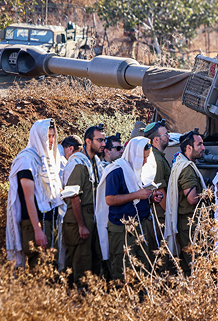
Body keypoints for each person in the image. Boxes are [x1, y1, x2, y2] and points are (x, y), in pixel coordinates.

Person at [96, 137, 161, 282]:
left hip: (140, 226)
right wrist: (136, 195)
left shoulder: (139, 171)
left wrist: (150, 198)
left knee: (142, 266)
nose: (145, 162)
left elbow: (138, 198)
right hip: (122, 229)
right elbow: (110, 199)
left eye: (147, 158)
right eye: (143, 158)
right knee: (123, 268)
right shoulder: (117, 171)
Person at [6, 119, 65, 269]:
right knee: (40, 269)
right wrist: (37, 230)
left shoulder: (47, 161)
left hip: (50, 222)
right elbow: (28, 199)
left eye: (53, 136)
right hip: (36, 225)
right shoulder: (27, 160)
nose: (51, 140)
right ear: (38, 137)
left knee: (51, 270)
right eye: (48, 136)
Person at [62, 124, 106, 285]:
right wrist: (81, 225)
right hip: (79, 217)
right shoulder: (79, 162)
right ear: (88, 141)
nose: (103, 144)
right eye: (99, 140)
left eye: (104, 140)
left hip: (92, 216)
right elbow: (74, 196)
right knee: (81, 261)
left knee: (93, 259)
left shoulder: (94, 161)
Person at [165, 128, 207, 275]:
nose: (203, 148)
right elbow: (191, 198)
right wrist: (209, 193)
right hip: (191, 224)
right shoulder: (187, 169)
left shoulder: (181, 164)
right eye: (199, 144)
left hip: (188, 223)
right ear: (189, 148)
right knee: (195, 263)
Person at [143, 120, 171, 265]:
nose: (168, 136)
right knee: (162, 253)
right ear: (156, 139)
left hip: (160, 213)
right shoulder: (157, 159)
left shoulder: (158, 156)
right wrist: (170, 214)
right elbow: (160, 190)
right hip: (160, 214)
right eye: (165, 134)